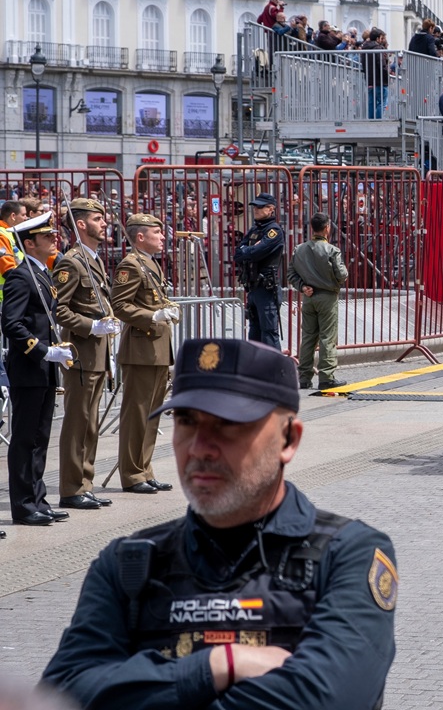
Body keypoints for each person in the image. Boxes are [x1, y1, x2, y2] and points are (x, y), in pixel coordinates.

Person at [41, 337, 397, 708]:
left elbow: (329, 698)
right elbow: (62, 696)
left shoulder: (348, 555)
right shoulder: (129, 564)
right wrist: (218, 665)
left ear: (289, 439)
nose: (199, 447)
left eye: (228, 424)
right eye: (187, 421)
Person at [3, 219, 74, 526]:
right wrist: (43, 350)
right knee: (24, 438)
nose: (52, 239)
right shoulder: (20, 277)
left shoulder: (42, 275)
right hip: (28, 369)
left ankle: (37, 497)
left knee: (41, 437)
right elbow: (12, 324)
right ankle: (22, 504)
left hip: (43, 370)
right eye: (46, 236)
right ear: (29, 244)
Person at [54, 198, 120, 511]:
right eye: (97, 218)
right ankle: (70, 487)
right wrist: (93, 326)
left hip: (96, 355)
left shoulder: (92, 259)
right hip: (81, 353)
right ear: (81, 224)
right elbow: (60, 310)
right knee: (77, 423)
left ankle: (85, 483)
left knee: (90, 424)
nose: (104, 223)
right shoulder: (72, 261)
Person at [111, 213, 177, 495]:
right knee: (136, 415)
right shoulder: (131, 264)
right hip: (141, 349)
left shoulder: (150, 263)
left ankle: (144, 469)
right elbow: (120, 305)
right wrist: (154, 316)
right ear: (140, 237)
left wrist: (168, 308)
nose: (162, 237)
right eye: (156, 233)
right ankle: (131, 474)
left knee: (152, 415)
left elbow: (153, 298)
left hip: (158, 348)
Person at [287, 212, 348, 390]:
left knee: (307, 337)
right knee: (327, 337)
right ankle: (326, 376)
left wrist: (303, 287)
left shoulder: (299, 249)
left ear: (312, 228)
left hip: (308, 297)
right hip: (327, 297)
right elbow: (342, 274)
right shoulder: (332, 250)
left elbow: (291, 273)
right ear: (327, 228)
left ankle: (304, 377)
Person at [234, 194, 285, 349]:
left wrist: (248, 251)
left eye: (260, 207)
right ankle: (255, 369)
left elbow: (256, 253)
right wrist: (250, 249)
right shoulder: (255, 230)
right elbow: (238, 254)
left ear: (271, 209)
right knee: (254, 333)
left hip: (266, 289)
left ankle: (274, 371)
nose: (256, 209)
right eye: (255, 206)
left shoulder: (274, 231)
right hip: (253, 288)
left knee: (269, 333)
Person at [360, 28, 389, 120]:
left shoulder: (364, 48)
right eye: (382, 38)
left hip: (369, 80)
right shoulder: (378, 49)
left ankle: (371, 121)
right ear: (378, 38)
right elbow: (381, 65)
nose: (383, 40)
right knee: (382, 102)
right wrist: (386, 77)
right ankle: (379, 122)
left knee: (371, 103)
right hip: (379, 80)